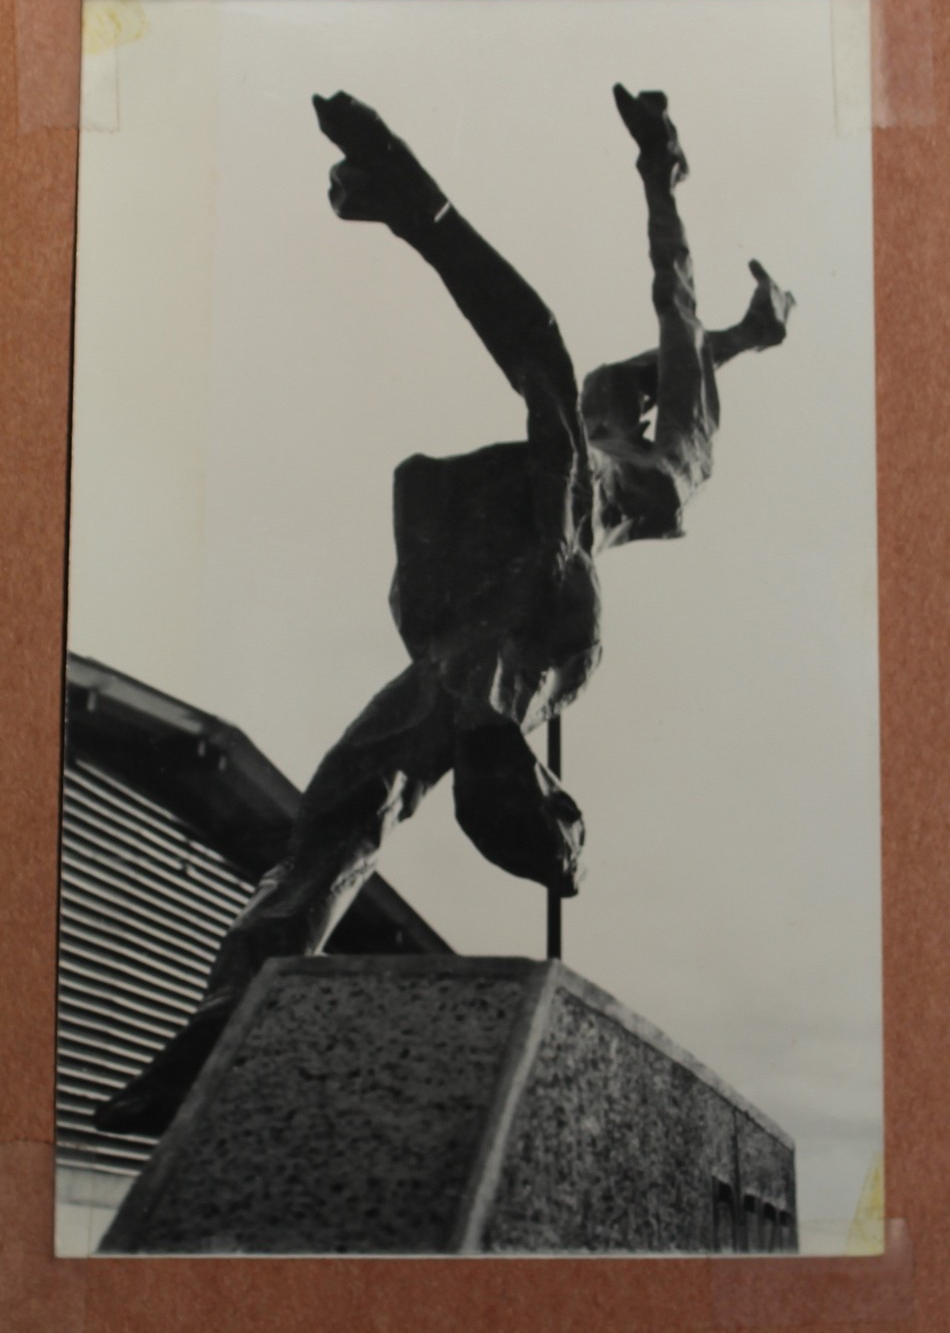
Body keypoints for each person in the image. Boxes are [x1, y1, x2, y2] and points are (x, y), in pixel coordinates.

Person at [96, 86, 794, 1136]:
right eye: (638, 389)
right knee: (342, 799)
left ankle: (524, 788)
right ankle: (234, 1006)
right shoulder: (609, 400)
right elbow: (647, 358)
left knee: (544, 373)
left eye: (651, 392)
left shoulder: (675, 465)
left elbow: (671, 306)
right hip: (480, 612)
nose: (631, 395)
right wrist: (742, 335)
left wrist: (659, 178)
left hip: (554, 600)